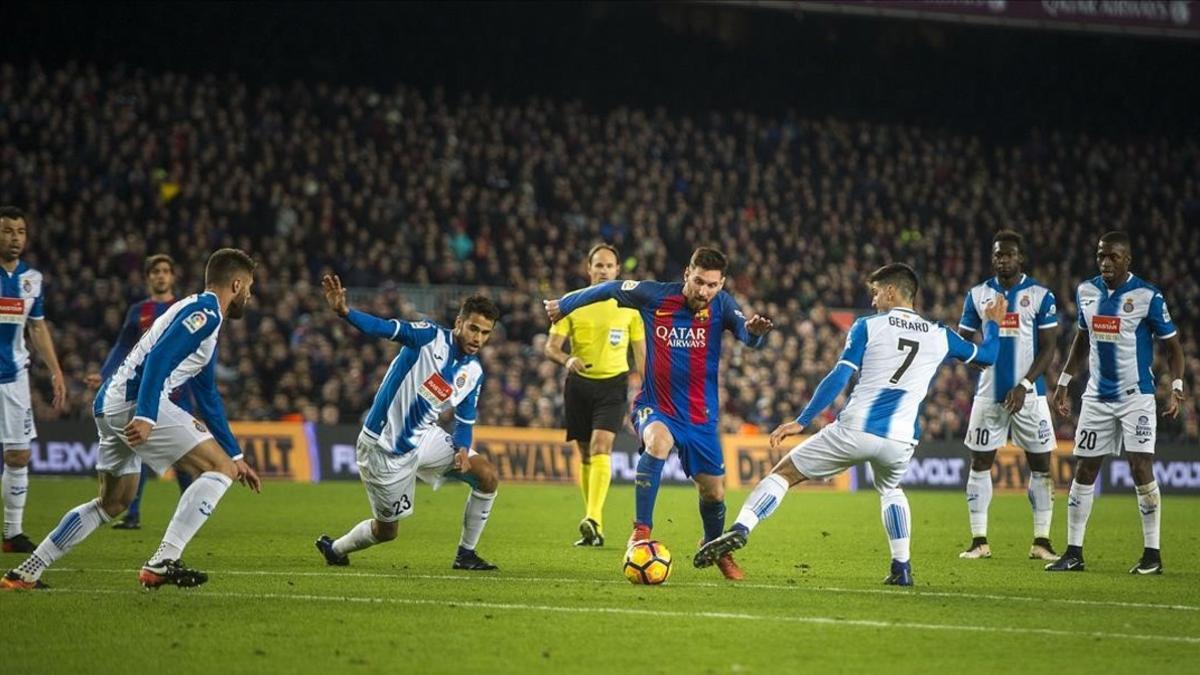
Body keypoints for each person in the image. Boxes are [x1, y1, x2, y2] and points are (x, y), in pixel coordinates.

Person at [694, 263, 1006, 586]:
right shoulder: (942, 335)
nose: (872, 301)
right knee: (891, 489)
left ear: (890, 291)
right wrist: (993, 324)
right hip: (900, 441)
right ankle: (902, 568)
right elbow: (988, 356)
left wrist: (801, 421)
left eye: (875, 293)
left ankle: (741, 528)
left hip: (855, 429)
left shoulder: (867, 327)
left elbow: (839, 376)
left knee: (783, 474)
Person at [1, 248, 262, 590]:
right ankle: (163, 560)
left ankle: (26, 572)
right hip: (134, 402)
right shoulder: (206, 312)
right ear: (237, 283)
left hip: (110, 404)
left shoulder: (198, 312)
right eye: (250, 288)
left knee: (113, 502)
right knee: (219, 470)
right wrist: (146, 415)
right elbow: (159, 358)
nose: (250, 295)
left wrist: (238, 455)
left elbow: (208, 393)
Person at [544, 246, 774, 581]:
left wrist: (755, 334)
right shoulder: (654, 296)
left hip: (700, 415)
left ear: (721, 284)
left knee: (714, 492)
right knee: (657, 442)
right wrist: (566, 303)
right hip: (657, 404)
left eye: (712, 285)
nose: (704, 291)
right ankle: (641, 532)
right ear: (686, 275)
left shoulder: (722, 305)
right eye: (699, 282)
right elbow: (610, 287)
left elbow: (749, 338)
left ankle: (714, 545)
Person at [315, 274, 503, 571]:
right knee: (387, 531)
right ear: (459, 323)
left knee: (487, 476)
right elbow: (384, 327)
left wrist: (463, 448)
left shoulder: (474, 372)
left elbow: (465, 420)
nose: (478, 338)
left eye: (485, 332)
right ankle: (335, 549)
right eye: (473, 328)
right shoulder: (427, 337)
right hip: (383, 448)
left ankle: (465, 554)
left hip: (424, 438)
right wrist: (345, 312)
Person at [1047, 231, 1185, 575]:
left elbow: (1173, 347)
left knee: (1141, 468)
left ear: (1128, 260)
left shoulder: (1147, 296)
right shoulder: (1086, 291)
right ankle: (1074, 552)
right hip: (1096, 397)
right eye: (1101, 256)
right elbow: (1082, 338)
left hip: (1135, 396)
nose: (1106, 262)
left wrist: (1177, 386)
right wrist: (1064, 381)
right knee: (1084, 469)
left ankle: (1152, 555)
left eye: (1113, 257)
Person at [957, 231, 1060, 561]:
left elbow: (1050, 348)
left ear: (1021, 258)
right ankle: (979, 541)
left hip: (1030, 396)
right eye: (997, 254)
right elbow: (963, 343)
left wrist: (1025, 385)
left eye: (1008, 254)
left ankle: (1041, 542)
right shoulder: (977, 295)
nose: (1002, 259)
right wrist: (981, 357)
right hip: (988, 396)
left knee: (1041, 466)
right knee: (980, 463)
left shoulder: (1040, 296)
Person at [545, 244, 645, 547]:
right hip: (578, 385)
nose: (603, 270)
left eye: (609, 266)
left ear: (617, 271)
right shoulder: (571, 303)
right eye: (598, 265)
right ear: (589, 269)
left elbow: (640, 353)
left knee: (603, 447)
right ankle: (594, 528)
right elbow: (551, 347)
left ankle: (593, 519)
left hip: (614, 386)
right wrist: (566, 360)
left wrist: (649, 387)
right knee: (586, 453)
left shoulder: (629, 308)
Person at [85, 254, 195, 530]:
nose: (161, 275)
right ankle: (132, 513)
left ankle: (190, 512)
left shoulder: (182, 308)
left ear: (172, 276)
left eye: (165, 271)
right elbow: (122, 347)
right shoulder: (138, 311)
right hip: (143, 393)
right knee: (139, 451)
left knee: (184, 458)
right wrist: (105, 374)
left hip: (177, 392)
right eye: (156, 271)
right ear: (148, 277)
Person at [0, 207, 67, 554]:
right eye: (8, 231)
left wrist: (55, 370)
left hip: (13, 380)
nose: (15, 238)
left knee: (18, 455)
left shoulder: (32, 280)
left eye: (21, 232)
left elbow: (37, 327)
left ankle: (12, 533)